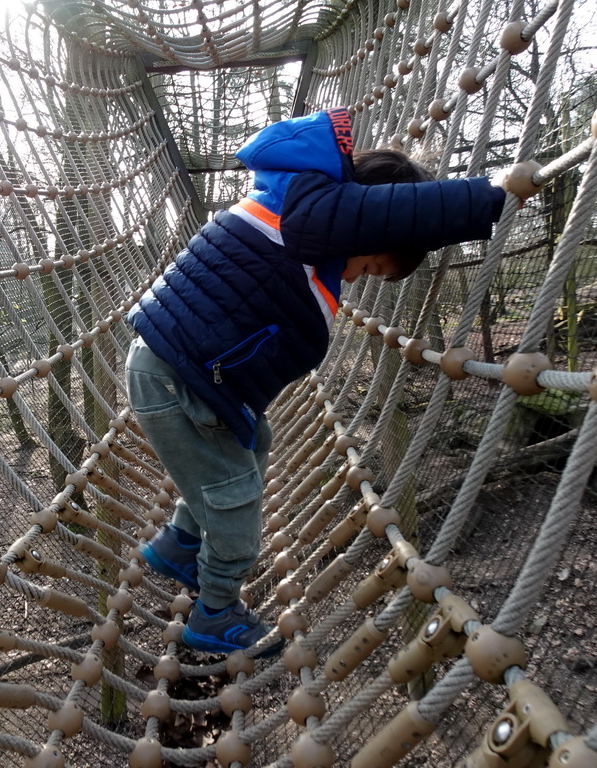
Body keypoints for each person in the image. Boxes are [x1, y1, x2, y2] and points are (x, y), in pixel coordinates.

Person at [125, 107, 505, 656]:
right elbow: (375, 217)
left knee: (253, 441)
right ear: (366, 221)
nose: (356, 276)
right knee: (235, 503)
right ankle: (214, 612)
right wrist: (487, 199)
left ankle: (181, 542)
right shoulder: (308, 219)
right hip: (175, 378)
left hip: (177, 369)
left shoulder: (296, 216)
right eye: (371, 266)